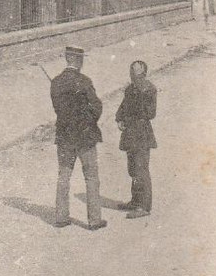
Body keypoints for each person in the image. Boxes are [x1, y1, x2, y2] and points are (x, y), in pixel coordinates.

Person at [50, 44, 107, 231]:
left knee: (63, 176)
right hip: (85, 137)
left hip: (65, 136)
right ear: (78, 60)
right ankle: (94, 220)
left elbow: (58, 110)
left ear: (67, 59)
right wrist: (87, 120)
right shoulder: (84, 81)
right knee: (91, 177)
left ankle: (61, 217)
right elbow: (97, 107)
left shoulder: (56, 82)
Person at [115, 59, 157, 219]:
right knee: (132, 168)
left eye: (137, 71)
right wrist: (119, 118)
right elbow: (123, 107)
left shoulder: (149, 89)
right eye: (131, 71)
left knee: (141, 169)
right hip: (130, 134)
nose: (133, 74)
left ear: (144, 73)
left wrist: (130, 116)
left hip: (141, 134)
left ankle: (144, 206)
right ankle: (135, 201)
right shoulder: (129, 89)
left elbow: (151, 113)